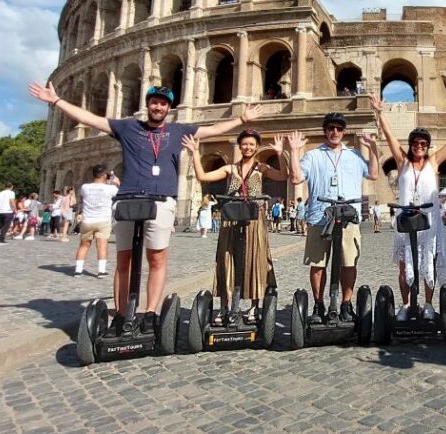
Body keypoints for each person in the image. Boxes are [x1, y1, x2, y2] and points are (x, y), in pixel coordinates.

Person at [29, 81, 263, 334]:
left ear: (168, 108)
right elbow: (90, 119)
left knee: (157, 258)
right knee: (124, 260)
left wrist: (242, 118)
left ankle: (150, 313)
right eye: (154, 102)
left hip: (161, 200)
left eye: (163, 103)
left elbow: (214, 129)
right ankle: (121, 315)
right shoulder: (128, 127)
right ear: (148, 105)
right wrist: (56, 101)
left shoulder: (178, 131)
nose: (158, 107)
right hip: (129, 199)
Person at [372, 95, 446, 321]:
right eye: (416, 143)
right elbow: (390, 137)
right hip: (405, 219)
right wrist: (380, 113)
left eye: (423, 144)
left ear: (427, 146)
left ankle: (428, 304)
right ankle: (406, 304)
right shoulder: (403, 162)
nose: (419, 146)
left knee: (428, 262)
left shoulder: (433, 162)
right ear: (411, 145)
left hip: (429, 221)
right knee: (404, 266)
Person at [184, 129, 285, 319]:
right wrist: (195, 152)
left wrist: (280, 154)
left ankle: (255, 306)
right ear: (240, 146)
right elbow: (202, 177)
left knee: (255, 258)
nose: (248, 147)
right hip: (231, 218)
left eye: (252, 144)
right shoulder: (230, 169)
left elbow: (283, 176)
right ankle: (225, 306)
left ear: (257, 147)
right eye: (245, 144)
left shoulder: (261, 168)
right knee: (226, 258)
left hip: (254, 218)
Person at [288, 113, 379, 323]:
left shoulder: (354, 155)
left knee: (349, 263)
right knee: (318, 265)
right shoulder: (313, 156)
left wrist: (374, 148)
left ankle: (346, 304)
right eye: (330, 128)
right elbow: (296, 178)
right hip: (320, 217)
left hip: (348, 217)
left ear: (344, 132)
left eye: (339, 128)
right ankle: (319, 305)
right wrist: (293, 151)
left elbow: (373, 174)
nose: (335, 132)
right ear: (325, 131)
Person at [74, 165, 120, 278]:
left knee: (84, 246)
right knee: (102, 246)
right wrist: (117, 182)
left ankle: (78, 271)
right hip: (103, 220)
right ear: (104, 175)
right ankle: (101, 271)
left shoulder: (85, 187)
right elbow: (120, 193)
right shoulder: (111, 189)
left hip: (88, 220)